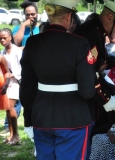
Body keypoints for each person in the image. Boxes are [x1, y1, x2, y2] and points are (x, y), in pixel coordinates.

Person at [20, 1, 96, 159]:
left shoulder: (33, 42)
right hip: (73, 118)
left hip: (41, 116)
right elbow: (87, 91)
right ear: (69, 16)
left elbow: (26, 88)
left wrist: (29, 118)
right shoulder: (79, 43)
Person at [74, 0, 115, 121]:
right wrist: (106, 97)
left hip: (92, 87)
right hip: (85, 91)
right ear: (109, 17)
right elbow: (89, 71)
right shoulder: (90, 33)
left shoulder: (97, 31)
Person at [0, 28, 22, 145]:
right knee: (8, 109)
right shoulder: (2, 52)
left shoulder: (17, 51)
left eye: (4, 38)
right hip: (6, 83)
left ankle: (16, 136)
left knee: (11, 107)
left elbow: (23, 68)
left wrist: (14, 75)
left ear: (10, 37)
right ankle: (11, 135)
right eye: (0, 39)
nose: (2, 40)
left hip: (16, 82)